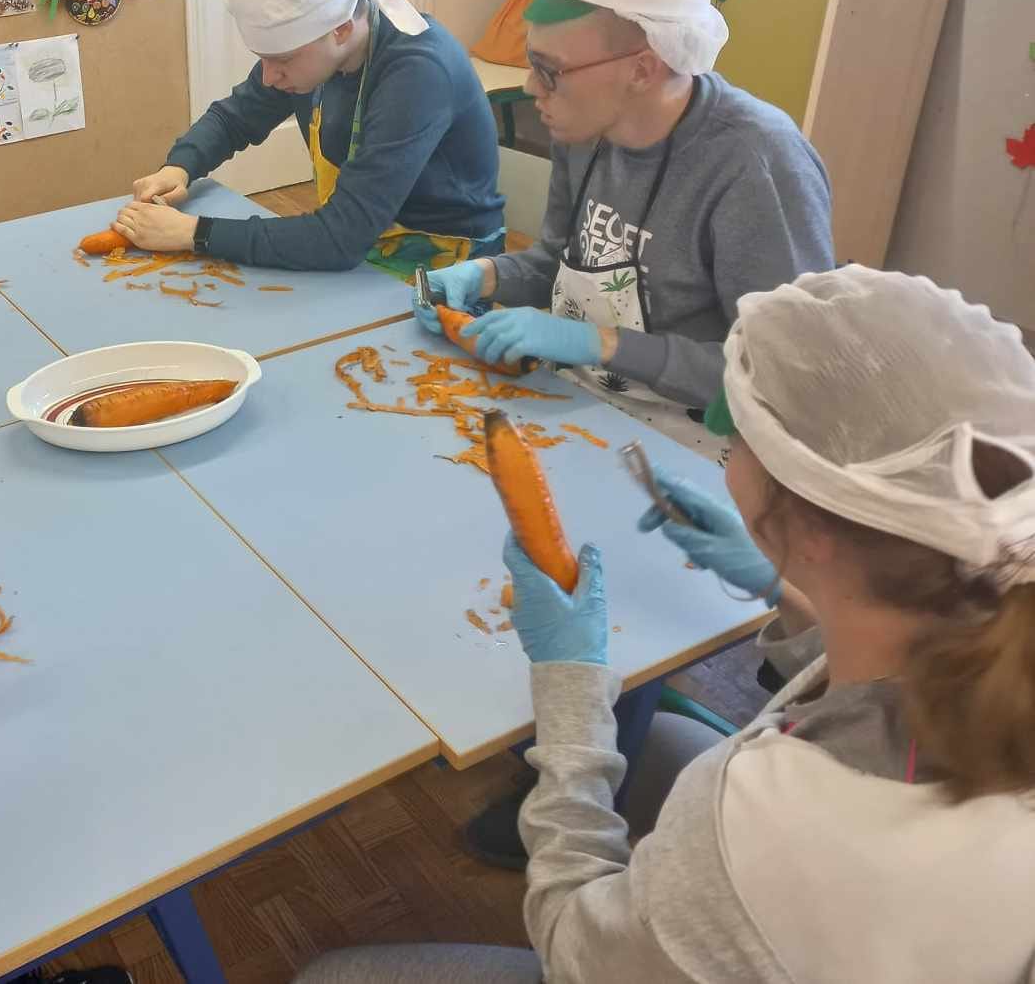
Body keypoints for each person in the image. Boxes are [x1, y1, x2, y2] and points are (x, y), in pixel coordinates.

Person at [301, 266, 1035, 983]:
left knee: (331, 977)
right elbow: (886, 688)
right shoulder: (991, 613)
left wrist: (570, 687)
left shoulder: (771, 822)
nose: (726, 448)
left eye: (737, 437)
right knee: (664, 742)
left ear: (812, 528)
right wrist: (783, 586)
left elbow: (572, 945)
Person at [417, 0, 833, 426]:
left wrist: (603, 344)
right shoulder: (585, 127)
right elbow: (560, 261)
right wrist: (484, 276)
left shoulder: (756, 164)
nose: (530, 87)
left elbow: (782, 375)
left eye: (549, 70)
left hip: (696, 432)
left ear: (643, 68)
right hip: (582, 397)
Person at [121, 0, 504, 274]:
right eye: (263, 59)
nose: (269, 77)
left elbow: (341, 239)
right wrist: (180, 167)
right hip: (361, 241)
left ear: (341, 30)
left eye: (282, 60)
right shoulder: (315, 52)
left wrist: (193, 233)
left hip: (443, 267)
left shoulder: (418, 74)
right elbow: (234, 118)